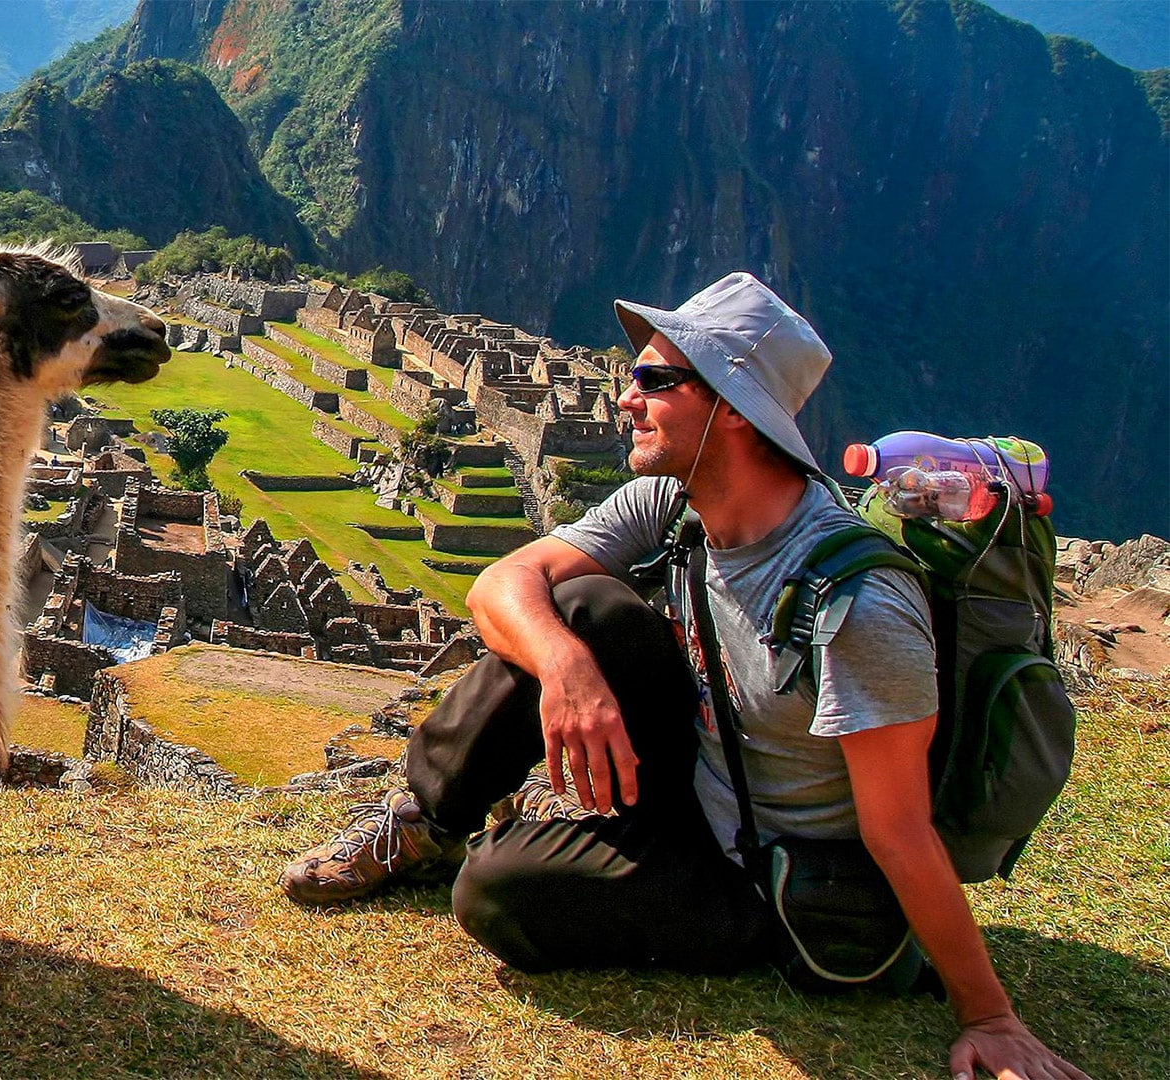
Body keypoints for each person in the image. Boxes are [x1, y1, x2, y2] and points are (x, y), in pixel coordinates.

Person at [279, 273, 1086, 1080]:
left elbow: (898, 831)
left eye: (654, 380)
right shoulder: (671, 503)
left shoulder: (856, 605)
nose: (626, 396)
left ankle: (552, 854)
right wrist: (567, 671)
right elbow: (502, 584)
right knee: (581, 608)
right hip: (696, 779)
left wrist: (989, 1016)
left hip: (771, 871)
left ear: (734, 409)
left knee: (498, 894)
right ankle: (420, 827)